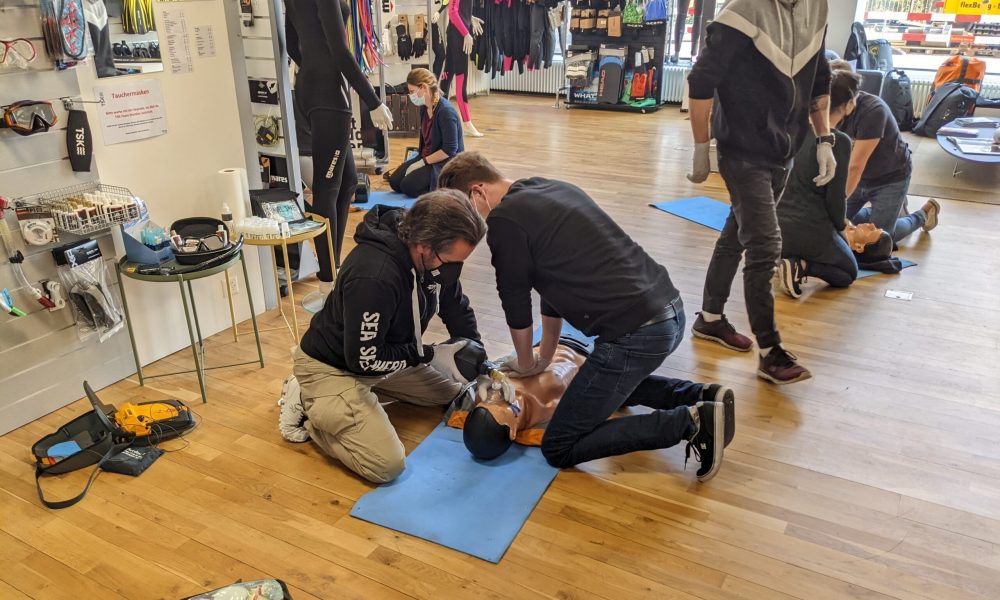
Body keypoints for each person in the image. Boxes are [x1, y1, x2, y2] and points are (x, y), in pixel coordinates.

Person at [439, 152, 734, 482]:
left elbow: (516, 303)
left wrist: (524, 362)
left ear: (477, 191)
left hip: (637, 334)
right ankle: (704, 396)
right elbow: (551, 288)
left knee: (560, 446)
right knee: (596, 389)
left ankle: (692, 421)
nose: (471, 222)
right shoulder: (548, 187)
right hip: (669, 311)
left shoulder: (505, 221)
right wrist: (544, 356)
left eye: (467, 210)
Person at [279, 190, 488, 483]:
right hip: (336, 367)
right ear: (424, 245)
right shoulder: (374, 276)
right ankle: (310, 406)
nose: (452, 268)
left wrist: (478, 361)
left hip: (383, 357)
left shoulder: (434, 258)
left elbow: (456, 307)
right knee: (387, 466)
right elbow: (364, 360)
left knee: (455, 392)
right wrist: (430, 355)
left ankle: (352, 403)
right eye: (449, 259)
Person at [685, 0, 833, 384]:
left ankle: (710, 319)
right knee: (765, 245)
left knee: (736, 233)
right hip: (742, 149)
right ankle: (771, 352)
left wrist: (825, 140)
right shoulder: (743, 11)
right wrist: (702, 146)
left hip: (784, 148)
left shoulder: (817, 8)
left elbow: (818, 80)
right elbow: (701, 81)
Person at [285, 0, 393, 296]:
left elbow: (293, 44)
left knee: (346, 184)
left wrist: (312, 67)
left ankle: (333, 263)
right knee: (327, 188)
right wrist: (374, 102)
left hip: (310, 89)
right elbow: (340, 51)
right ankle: (327, 278)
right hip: (329, 95)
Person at [832, 64, 941, 242]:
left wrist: (834, 205)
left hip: (889, 177)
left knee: (879, 239)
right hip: (856, 178)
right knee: (834, 227)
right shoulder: (826, 107)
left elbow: (855, 167)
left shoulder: (873, 110)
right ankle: (886, 211)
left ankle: (922, 215)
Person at [774, 72, 857, 298]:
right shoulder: (838, 141)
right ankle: (800, 266)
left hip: (773, 224)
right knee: (848, 273)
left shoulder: (790, 127)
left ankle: (783, 260)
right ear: (849, 104)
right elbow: (835, 198)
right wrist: (842, 228)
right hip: (807, 226)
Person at [389, 69, 465, 198]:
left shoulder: (446, 112)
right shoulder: (424, 108)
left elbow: (450, 150)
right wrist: (418, 160)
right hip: (427, 156)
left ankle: (445, 186)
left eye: (412, 91)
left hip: (444, 161)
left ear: (423, 87)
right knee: (395, 182)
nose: (410, 95)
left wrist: (422, 162)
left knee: (408, 186)